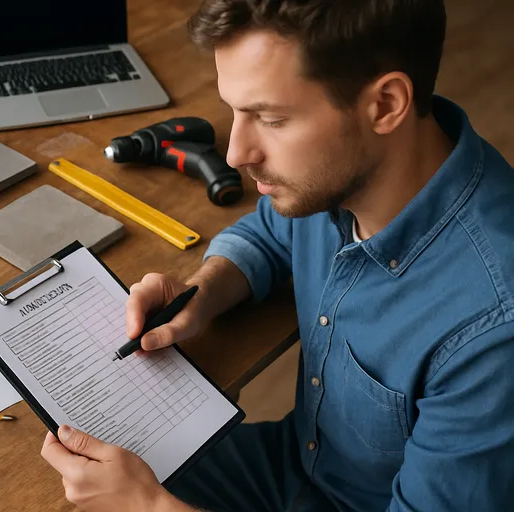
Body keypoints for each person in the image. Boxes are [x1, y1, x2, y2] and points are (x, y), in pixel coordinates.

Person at [40, 0, 514, 510]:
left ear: (385, 105)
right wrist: (204, 291)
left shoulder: (493, 332)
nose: (236, 153)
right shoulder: (337, 176)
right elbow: (271, 233)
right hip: (298, 463)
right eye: (236, 112)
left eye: (270, 119)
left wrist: (150, 507)